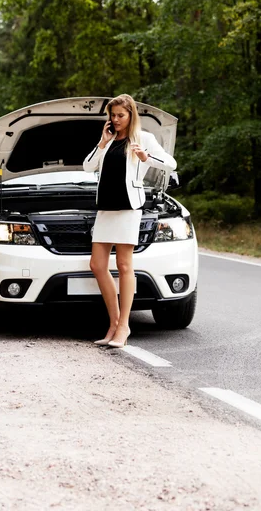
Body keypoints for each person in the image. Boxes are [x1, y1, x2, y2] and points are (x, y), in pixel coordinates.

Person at [83, 94, 177, 348]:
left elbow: (171, 163)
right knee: (97, 264)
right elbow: (87, 167)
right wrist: (102, 143)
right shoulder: (109, 138)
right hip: (105, 209)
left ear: (131, 115)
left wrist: (147, 157)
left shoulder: (144, 139)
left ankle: (124, 326)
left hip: (128, 208)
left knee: (124, 265)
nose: (115, 120)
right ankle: (113, 323)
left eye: (120, 115)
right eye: (112, 115)